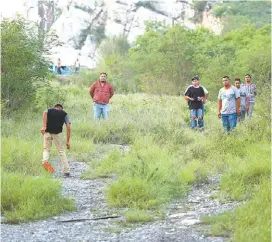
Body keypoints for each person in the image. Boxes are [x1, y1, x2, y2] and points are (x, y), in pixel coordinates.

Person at [40, 104, 71, 177]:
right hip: (58, 134)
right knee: (61, 151)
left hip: (47, 132)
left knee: (46, 149)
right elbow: (68, 127)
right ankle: (66, 171)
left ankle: (45, 161)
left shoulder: (49, 110)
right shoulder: (64, 114)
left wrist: (44, 126)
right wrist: (68, 141)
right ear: (61, 108)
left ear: (55, 107)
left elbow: (45, 112)